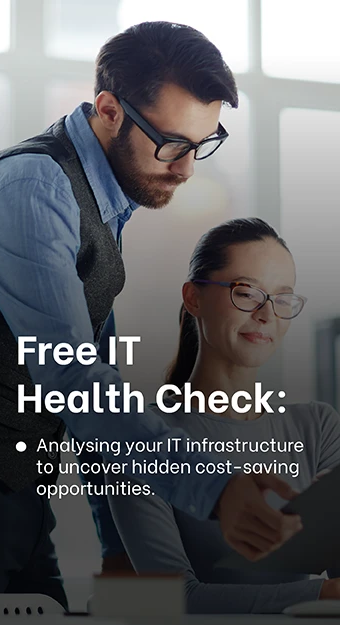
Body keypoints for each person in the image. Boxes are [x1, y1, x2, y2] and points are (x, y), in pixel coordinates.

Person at [0, 23, 301, 604]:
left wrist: (120, 550)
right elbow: (72, 378)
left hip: (19, 494)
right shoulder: (34, 188)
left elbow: (98, 379)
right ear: (108, 110)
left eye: (203, 144)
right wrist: (218, 489)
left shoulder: (104, 200)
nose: (187, 169)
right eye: (174, 144)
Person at [106, 217, 340, 614]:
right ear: (194, 298)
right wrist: (316, 595)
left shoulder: (318, 427)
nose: (267, 314)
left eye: (282, 298)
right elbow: (176, 599)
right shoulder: (142, 438)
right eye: (247, 292)